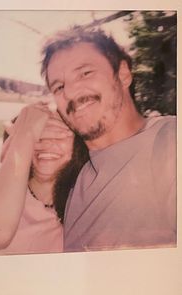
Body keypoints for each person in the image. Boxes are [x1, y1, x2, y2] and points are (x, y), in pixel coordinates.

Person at [40, 26, 177, 252]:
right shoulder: (74, 173)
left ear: (123, 74)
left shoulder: (168, 140)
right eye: (59, 86)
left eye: (85, 73)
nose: (71, 93)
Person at [0, 104, 89, 256]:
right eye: (38, 135)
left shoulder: (76, 211)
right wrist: (24, 136)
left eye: (59, 134)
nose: (47, 144)